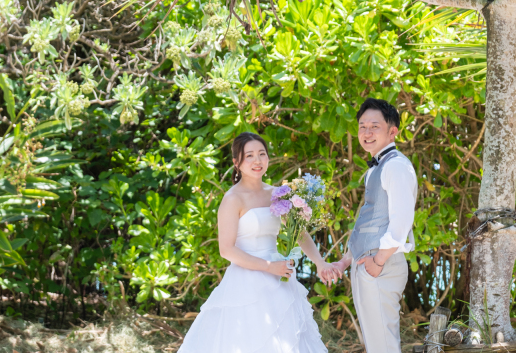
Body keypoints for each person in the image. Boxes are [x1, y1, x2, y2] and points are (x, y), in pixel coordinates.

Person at [178, 131, 337, 353]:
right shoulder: (232, 199)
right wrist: (269, 267)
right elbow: (226, 250)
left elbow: (299, 233)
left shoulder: (277, 194)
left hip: (280, 277)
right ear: (237, 162)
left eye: (262, 154)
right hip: (246, 279)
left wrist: (320, 262)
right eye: (249, 155)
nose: (257, 160)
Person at [328, 98, 418, 353]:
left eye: (374, 126)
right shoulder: (377, 168)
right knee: (376, 344)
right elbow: (370, 223)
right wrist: (345, 262)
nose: (366, 133)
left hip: (381, 266)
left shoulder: (396, 166)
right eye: (362, 126)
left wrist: (377, 263)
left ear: (392, 131)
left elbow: (401, 224)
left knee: (383, 346)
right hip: (370, 266)